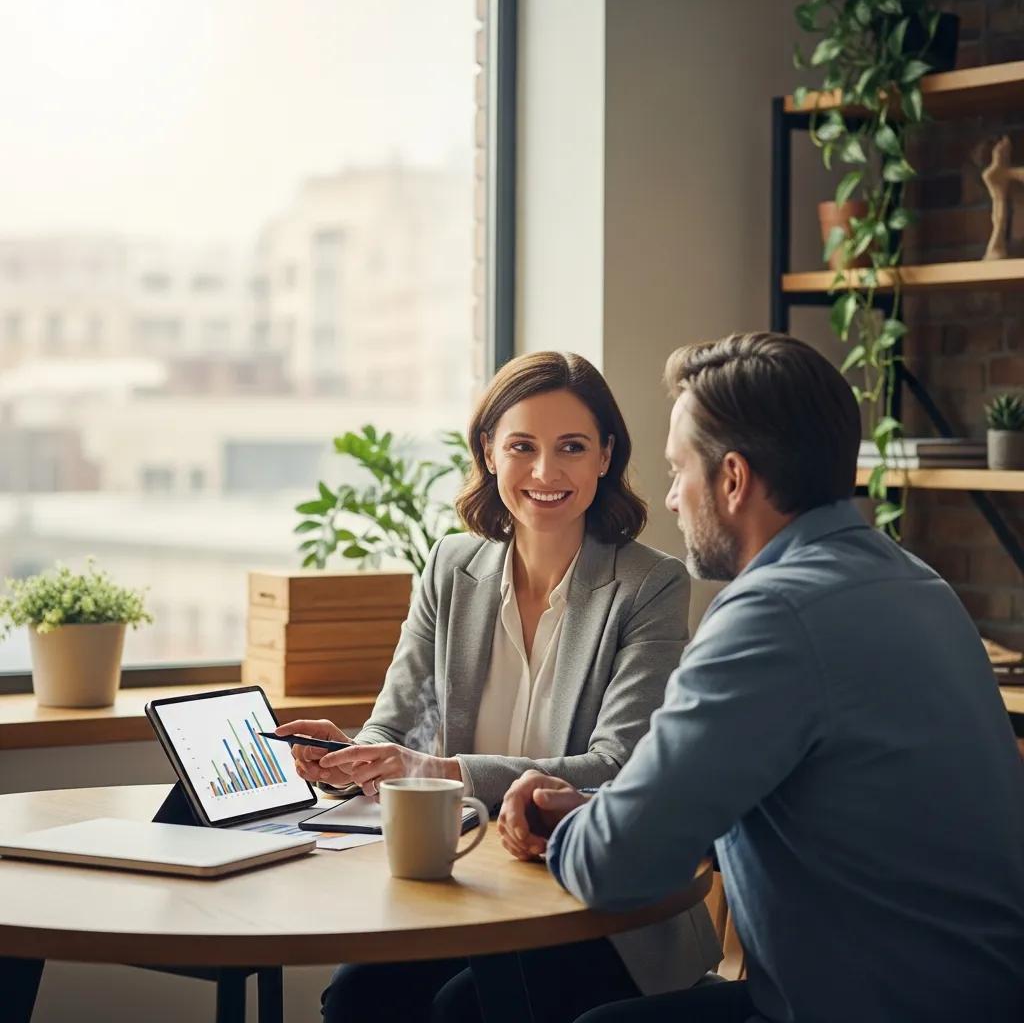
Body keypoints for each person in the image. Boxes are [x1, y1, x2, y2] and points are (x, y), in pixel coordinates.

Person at [498, 333, 1024, 1023]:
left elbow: (615, 869)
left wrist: (572, 831)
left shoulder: (770, 613)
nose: (674, 498)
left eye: (680, 470)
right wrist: (597, 807)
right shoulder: (913, 581)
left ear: (734, 479)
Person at [277, 351, 721, 1023]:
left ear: (606, 456)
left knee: (464, 1010)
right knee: (359, 998)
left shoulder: (648, 585)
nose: (546, 472)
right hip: (461, 888)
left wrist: (438, 769)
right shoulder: (450, 567)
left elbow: (616, 767)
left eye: (572, 447)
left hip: (593, 908)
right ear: (488, 453)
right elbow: (394, 732)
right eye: (522, 447)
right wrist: (347, 760)